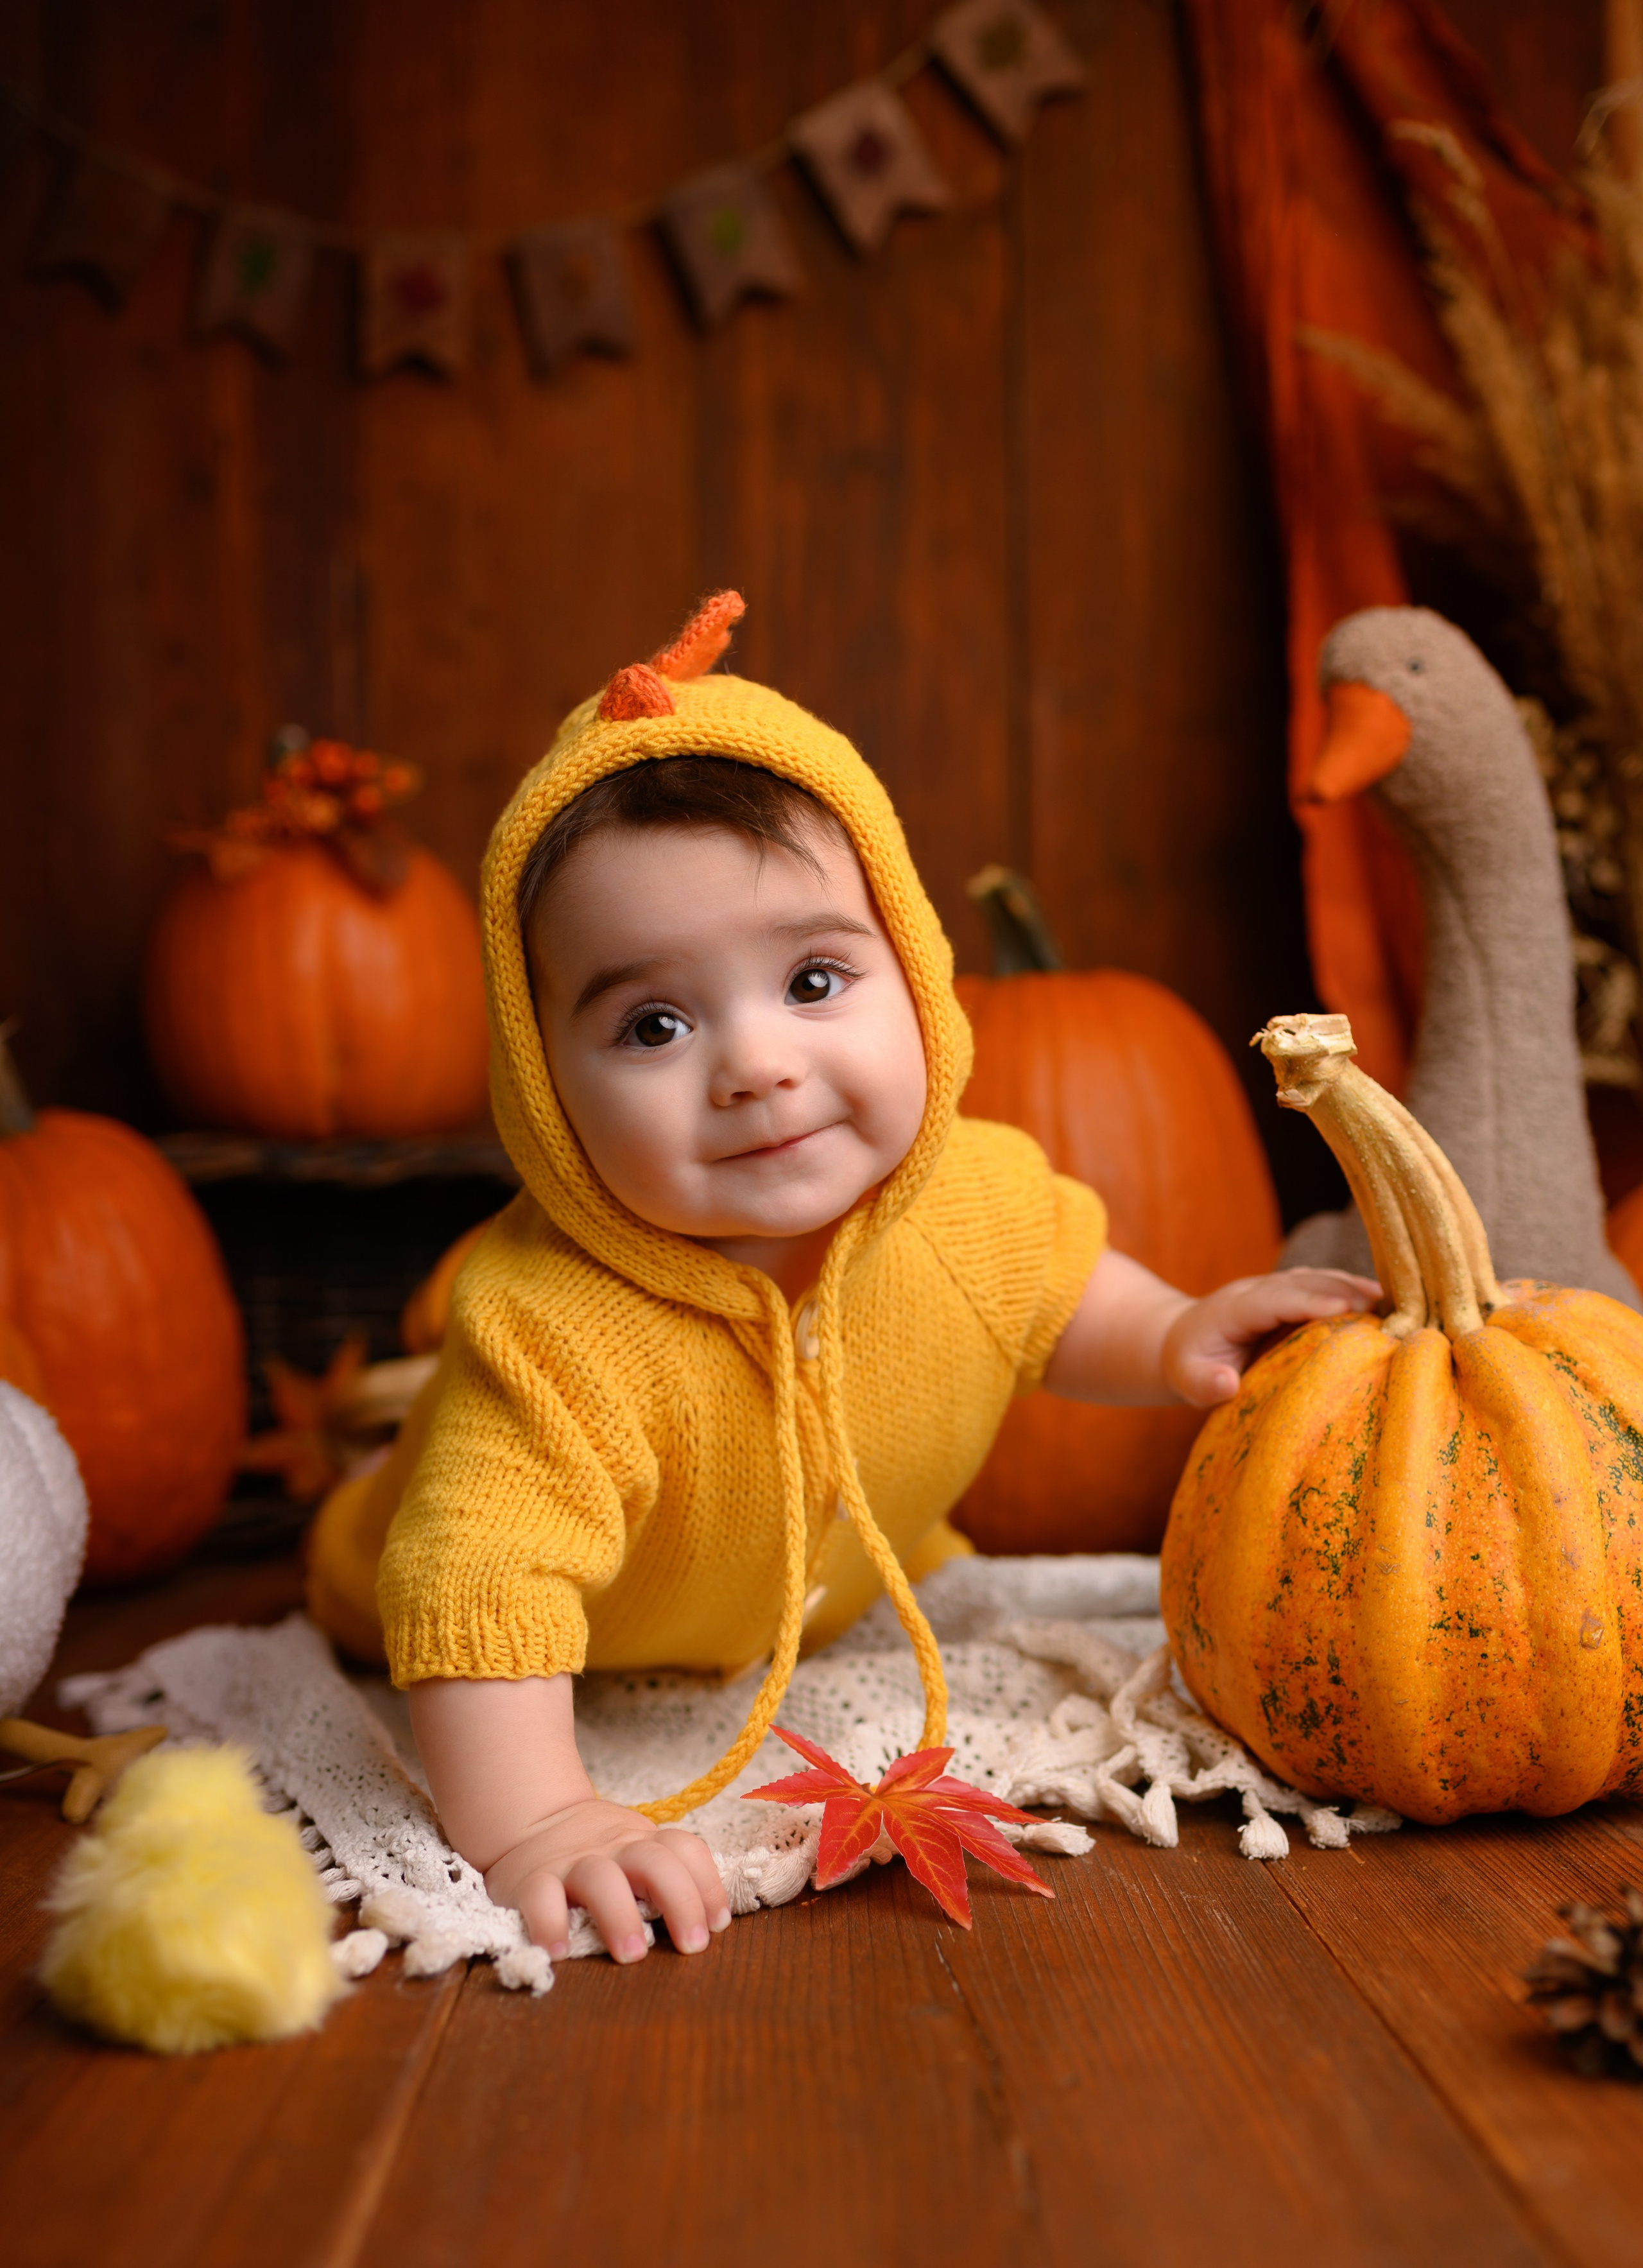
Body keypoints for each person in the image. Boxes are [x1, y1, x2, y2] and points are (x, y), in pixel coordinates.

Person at [306, 591, 1377, 1970]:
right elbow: (475, 1586)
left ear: (917, 977)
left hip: (811, 1587)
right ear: (542, 1088)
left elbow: (1062, 1294)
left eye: (813, 980)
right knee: (432, 1557)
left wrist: (1174, 1332)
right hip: (450, 1591)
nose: (753, 1064)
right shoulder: (544, 1325)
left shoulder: (967, 1197)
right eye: (655, 1023)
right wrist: (540, 1823)